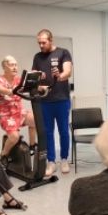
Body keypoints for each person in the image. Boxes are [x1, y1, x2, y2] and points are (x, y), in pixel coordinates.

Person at [32, 29, 73, 176]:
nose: (41, 45)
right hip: (45, 101)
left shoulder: (63, 52)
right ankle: (51, 161)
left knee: (63, 131)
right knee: (47, 132)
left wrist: (59, 76)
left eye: (44, 42)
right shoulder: (37, 57)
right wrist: (38, 84)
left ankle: (64, 159)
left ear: (51, 40)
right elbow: (33, 78)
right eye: (39, 43)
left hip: (61, 99)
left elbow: (68, 72)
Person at [0, 55, 36, 161]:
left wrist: (40, 86)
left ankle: (32, 146)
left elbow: (28, 86)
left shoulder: (18, 80)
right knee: (14, 137)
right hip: (5, 113)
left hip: (19, 111)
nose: (15, 67)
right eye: (12, 65)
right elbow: (0, 89)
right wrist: (10, 91)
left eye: (16, 65)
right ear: (5, 67)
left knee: (35, 120)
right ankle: (3, 156)